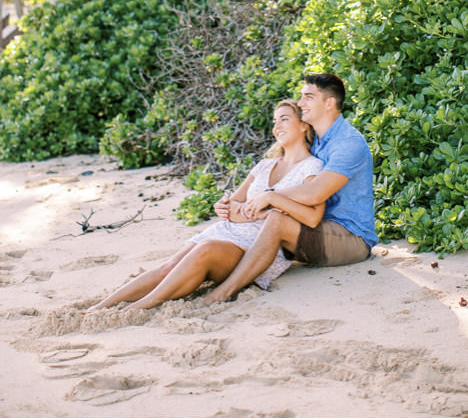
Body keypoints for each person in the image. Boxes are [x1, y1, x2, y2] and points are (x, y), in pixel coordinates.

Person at [87, 100, 324, 311]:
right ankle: (101, 307)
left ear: (304, 125)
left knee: (206, 250)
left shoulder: (312, 168)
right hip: (226, 231)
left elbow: (309, 216)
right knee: (168, 266)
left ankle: (140, 307)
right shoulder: (264, 165)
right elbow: (233, 204)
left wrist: (254, 211)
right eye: (274, 122)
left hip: (255, 246)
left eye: (284, 119)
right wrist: (226, 207)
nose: (277, 126)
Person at [202, 72, 376, 305]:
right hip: (313, 227)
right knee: (261, 222)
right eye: (301, 97)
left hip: (350, 238)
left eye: (308, 97)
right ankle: (209, 271)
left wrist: (271, 196)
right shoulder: (316, 142)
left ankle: (223, 292)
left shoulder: (348, 144)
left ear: (329, 103)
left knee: (276, 219)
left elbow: (315, 192)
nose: (301, 103)